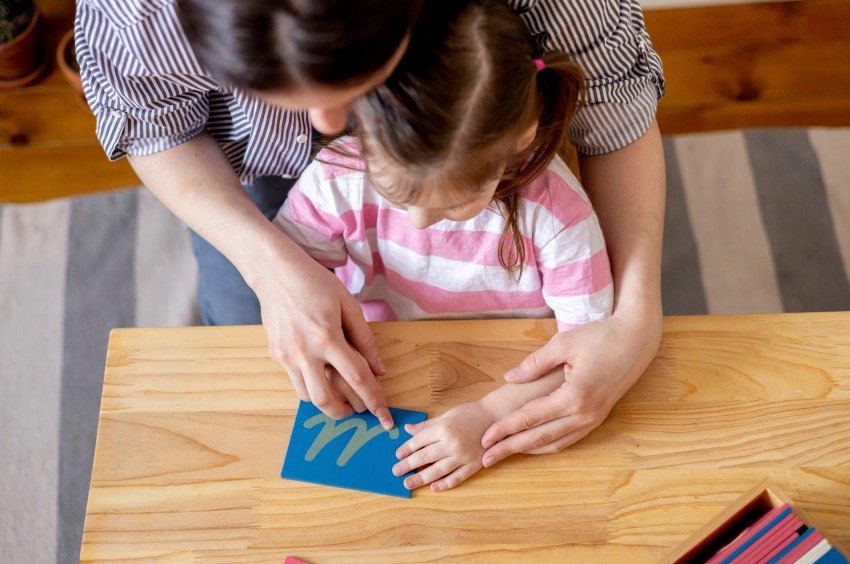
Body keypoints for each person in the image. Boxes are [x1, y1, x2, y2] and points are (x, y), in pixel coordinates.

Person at [75, 0, 665, 461]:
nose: (334, 128)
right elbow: (153, 128)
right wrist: (267, 267)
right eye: (273, 89)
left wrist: (638, 319)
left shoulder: (550, 215)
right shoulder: (341, 176)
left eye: (353, 85)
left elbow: (619, 116)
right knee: (248, 344)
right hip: (265, 182)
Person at [273, 0, 613, 490]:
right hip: (388, 367)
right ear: (361, 128)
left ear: (520, 140)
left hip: (512, 384)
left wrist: (489, 417)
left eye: (455, 203)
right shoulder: (335, 177)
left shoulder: (559, 216)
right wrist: (323, 348)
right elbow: (290, 283)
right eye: (396, 192)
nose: (419, 221)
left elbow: (588, 349)